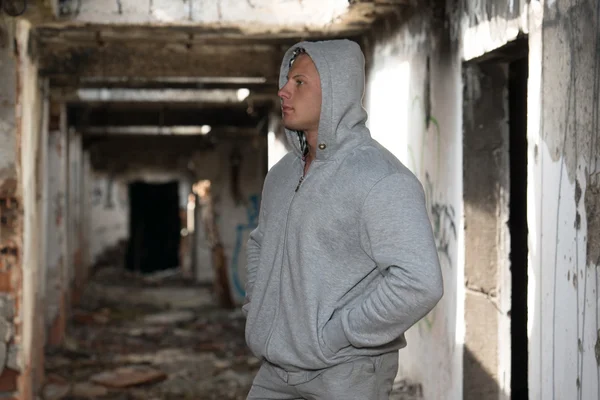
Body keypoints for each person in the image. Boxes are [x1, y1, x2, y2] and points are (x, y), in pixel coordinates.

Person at [243, 39, 444, 400]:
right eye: (287, 80)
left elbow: (419, 282)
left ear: (337, 89)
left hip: (345, 375)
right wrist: (258, 308)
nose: (284, 90)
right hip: (275, 371)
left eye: (299, 82)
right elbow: (260, 244)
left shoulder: (380, 178)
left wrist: (339, 335)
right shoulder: (282, 174)